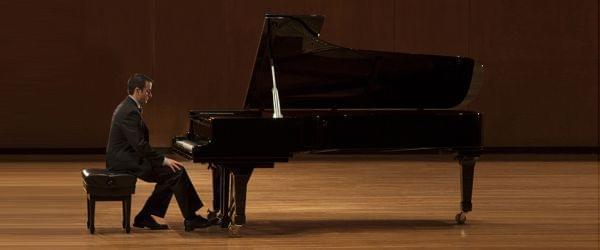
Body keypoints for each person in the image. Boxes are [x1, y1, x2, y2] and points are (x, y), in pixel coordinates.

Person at [106, 73, 211, 231]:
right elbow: (140, 145)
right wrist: (162, 160)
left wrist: (161, 160)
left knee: (172, 173)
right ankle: (190, 218)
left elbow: (139, 145)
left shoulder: (128, 106)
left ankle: (145, 216)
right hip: (125, 162)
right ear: (137, 90)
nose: (150, 94)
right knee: (176, 172)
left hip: (128, 158)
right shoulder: (129, 111)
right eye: (148, 91)